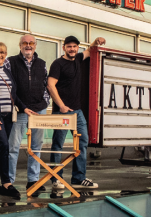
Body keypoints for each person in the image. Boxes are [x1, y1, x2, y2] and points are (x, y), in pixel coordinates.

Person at [0, 34, 50, 191]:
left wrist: (45, 102)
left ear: (35, 46)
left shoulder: (42, 64)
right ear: (20, 46)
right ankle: (9, 180)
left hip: (38, 110)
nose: (28, 45)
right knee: (12, 147)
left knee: (36, 146)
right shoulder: (11, 61)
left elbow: (46, 86)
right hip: (19, 110)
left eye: (31, 43)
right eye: (25, 43)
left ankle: (33, 181)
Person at [47, 35, 105, 189]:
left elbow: (89, 50)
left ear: (77, 48)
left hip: (77, 111)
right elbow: (50, 85)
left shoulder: (79, 58)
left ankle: (78, 179)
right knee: (58, 144)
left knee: (82, 142)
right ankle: (56, 179)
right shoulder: (57, 64)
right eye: (69, 46)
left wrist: (96, 41)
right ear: (64, 47)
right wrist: (62, 106)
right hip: (62, 112)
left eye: (74, 46)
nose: (72, 49)